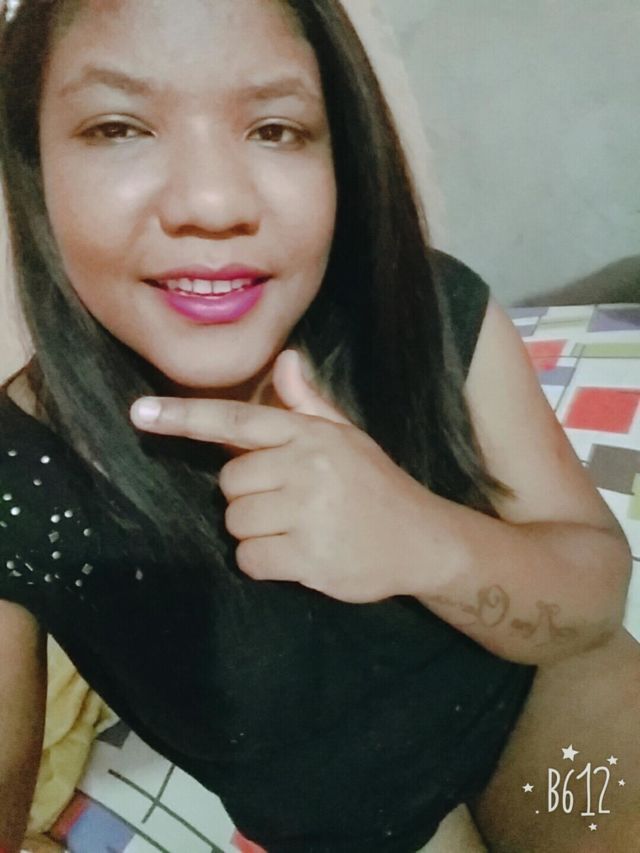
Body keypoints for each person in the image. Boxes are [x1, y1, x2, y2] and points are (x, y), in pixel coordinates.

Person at [0, 1, 638, 851]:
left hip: (545, 711)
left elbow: (594, 594)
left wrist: (423, 539)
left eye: (275, 128)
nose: (213, 202)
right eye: (119, 128)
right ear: (34, 163)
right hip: (358, 828)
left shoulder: (426, 308)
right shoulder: (20, 478)